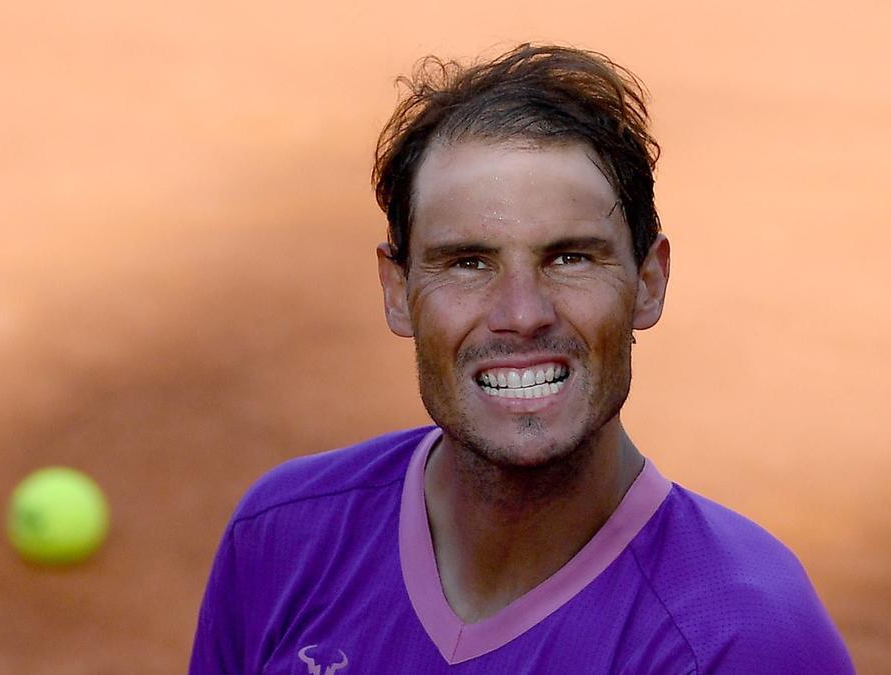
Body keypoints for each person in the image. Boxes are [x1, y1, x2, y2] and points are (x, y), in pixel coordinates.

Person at [190, 44, 854, 674]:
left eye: (570, 257)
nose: (522, 312)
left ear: (649, 282)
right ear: (398, 293)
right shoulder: (283, 538)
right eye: (468, 262)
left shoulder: (740, 639)